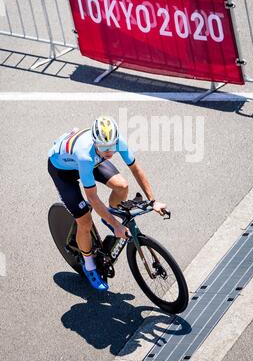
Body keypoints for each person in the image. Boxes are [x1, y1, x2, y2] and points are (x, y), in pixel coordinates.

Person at [48, 115, 166, 291]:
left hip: (91, 161)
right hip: (63, 170)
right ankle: (89, 266)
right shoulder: (85, 156)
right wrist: (116, 225)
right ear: (95, 143)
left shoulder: (117, 143)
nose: (109, 152)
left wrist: (153, 201)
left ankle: (109, 215)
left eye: (111, 146)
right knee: (85, 220)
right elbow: (93, 198)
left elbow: (136, 169)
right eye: (104, 147)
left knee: (122, 186)